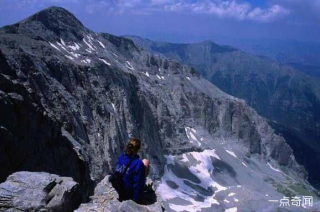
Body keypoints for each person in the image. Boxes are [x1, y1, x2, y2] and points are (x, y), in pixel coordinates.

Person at [114, 138, 149, 203]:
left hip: (119, 187)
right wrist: (136, 201)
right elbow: (137, 183)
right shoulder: (138, 163)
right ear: (138, 149)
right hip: (128, 193)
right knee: (145, 162)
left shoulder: (122, 156)